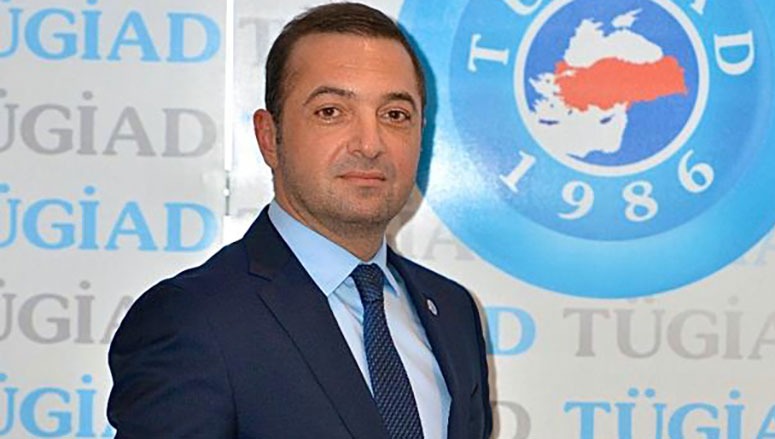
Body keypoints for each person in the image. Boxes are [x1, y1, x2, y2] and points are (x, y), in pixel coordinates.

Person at [106, 3, 492, 438]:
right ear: (269, 137)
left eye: (394, 115)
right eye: (331, 111)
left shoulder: (453, 312)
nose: (370, 144)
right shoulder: (193, 319)